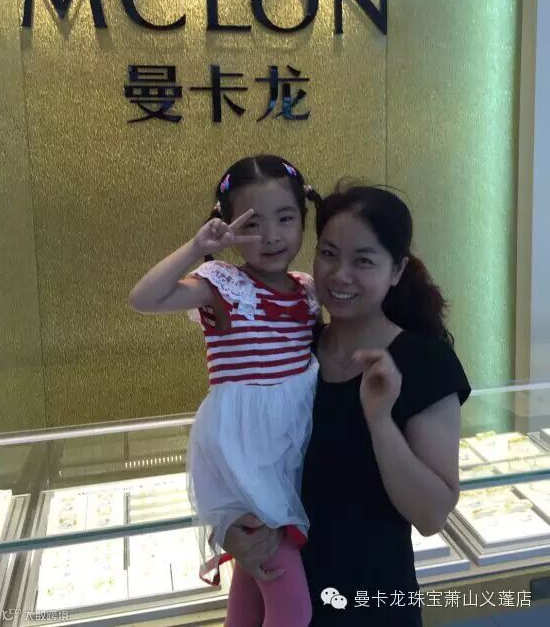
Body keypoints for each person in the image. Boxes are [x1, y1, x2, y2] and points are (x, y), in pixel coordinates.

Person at [224, 183, 471, 626]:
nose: (340, 275)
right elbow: (248, 460)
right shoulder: (295, 349)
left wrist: (380, 420)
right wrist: (230, 532)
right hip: (283, 596)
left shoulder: (425, 363)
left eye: (363, 261)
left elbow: (431, 514)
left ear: (396, 270)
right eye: (328, 254)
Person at [129, 155, 322, 627]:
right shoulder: (225, 284)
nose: (271, 236)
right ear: (229, 225)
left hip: (290, 452)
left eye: (285, 218)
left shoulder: (307, 290)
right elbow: (144, 298)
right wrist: (197, 248)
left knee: (252, 583)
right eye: (252, 224)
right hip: (243, 458)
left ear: (303, 219)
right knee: (292, 607)